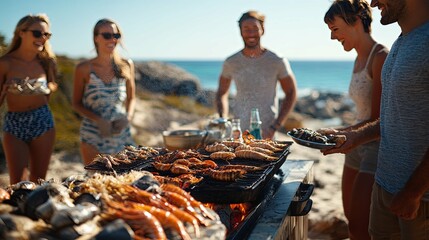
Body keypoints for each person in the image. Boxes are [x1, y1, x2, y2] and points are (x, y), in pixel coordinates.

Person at [323, 0, 429, 238]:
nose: (372, 2)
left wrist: (413, 191)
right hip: (386, 183)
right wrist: (354, 136)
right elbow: (393, 116)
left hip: (419, 197)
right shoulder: (402, 41)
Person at [323, 1, 389, 239]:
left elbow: (380, 119)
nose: (332, 37)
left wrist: (339, 130)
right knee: (352, 220)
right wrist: (337, 132)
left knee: (361, 227)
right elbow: (362, 112)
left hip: (375, 147)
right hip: (354, 145)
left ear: (356, 21)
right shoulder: (357, 58)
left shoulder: (380, 57)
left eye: (335, 28)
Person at [216, 10, 297, 139]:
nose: (251, 33)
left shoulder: (277, 60)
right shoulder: (231, 62)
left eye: (255, 28)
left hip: (267, 134)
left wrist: (274, 127)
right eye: (246, 29)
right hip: (239, 135)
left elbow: (291, 92)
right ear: (240, 31)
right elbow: (221, 93)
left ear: (262, 30)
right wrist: (223, 120)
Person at [0, 14, 58, 184]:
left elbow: (51, 88)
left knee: (39, 182)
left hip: (42, 120)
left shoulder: (47, 62)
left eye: (46, 35)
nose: (43, 38)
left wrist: (44, 88)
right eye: (37, 33)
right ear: (21, 33)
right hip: (14, 122)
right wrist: (5, 91)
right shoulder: (5, 63)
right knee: (18, 184)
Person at [72, 18, 136, 165]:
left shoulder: (127, 65)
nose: (112, 39)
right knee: (97, 181)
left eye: (116, 35)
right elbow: (76, 104)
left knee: (125, 182)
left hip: (121, 135)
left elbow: (132, 98)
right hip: (92, 136)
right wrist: (98, 120)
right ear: (96, 38)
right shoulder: (83, 68)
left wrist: (128, 117)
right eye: (107, 35)